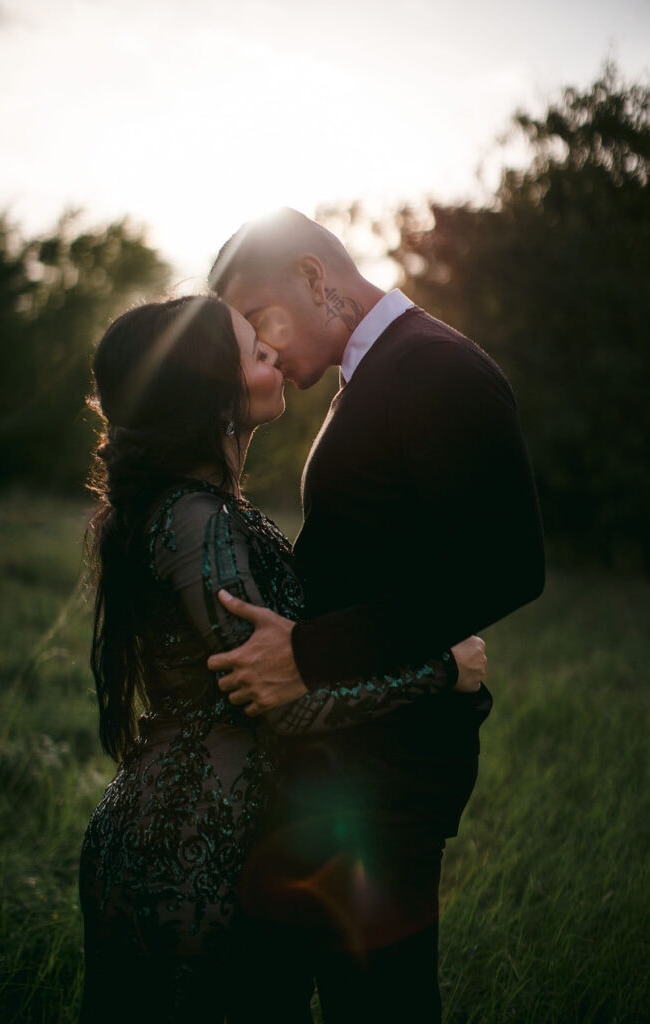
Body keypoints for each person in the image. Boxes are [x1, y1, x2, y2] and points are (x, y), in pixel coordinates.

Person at [78, 294, 487, 1024]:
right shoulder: (194, 519)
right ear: (210, 389)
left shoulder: (203, 510)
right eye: (253, 351)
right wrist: (439, 669)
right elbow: (280, 700)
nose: (272, 357)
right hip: (188, 845)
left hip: (214, 829)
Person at [206, 208, 546, 1023]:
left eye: (259, 321)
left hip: (390, 774)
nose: (262, 351)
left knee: (380, 1004)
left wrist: (310, 655)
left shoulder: (437, 368)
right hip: (339, 765)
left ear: (317, 281)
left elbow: (507, 567)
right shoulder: (373, 374)